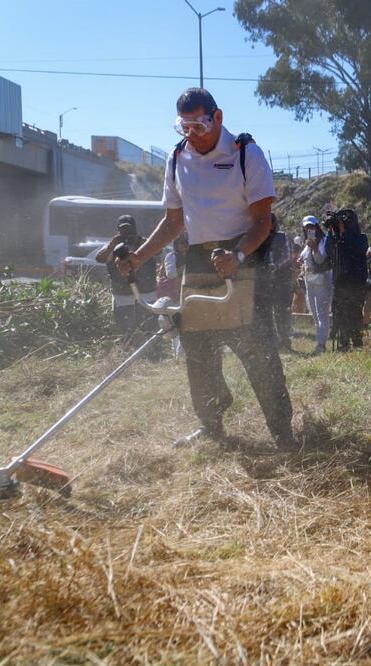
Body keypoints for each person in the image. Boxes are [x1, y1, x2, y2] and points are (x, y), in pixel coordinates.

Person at [114, 87, 294, 449]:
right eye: (184, 128)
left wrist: (238, 256)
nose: (192, 136)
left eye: (199, 126)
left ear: (218, 118)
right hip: (198, 259)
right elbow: (172, 223)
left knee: (256, 350)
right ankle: (211, 423)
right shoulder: (177, 159)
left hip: (244, 257)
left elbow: (263, 222)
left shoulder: (247, 153)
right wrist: (138, 258)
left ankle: (282, 431)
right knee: (198, 352)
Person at [96, 215, 158, 340]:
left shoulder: (143, 242)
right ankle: (127, 348)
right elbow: (100, 258)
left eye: (129, 230)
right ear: (118, 231)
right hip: (122, 293)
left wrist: (140, 241)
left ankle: (152, 353)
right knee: (125, 327)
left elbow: (158, 251)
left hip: (146, 291)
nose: (126, 233)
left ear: (134, 229)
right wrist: (113, 244)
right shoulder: (113, 245)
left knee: (149, 325)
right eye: (123, 230)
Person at [325, 208, 369, 351]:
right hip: (340, 280)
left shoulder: (361, 238)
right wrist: (330, 231)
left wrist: (344, 231)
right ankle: (343, 342)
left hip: (356, 281)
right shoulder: (336, 238)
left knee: (355, 310)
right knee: (340, 312)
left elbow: (354, 248)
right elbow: (327, 250)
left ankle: (356, 340)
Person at [256, 214, 294, 352]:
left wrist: (275, 266)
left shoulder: (282, 237)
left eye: (269, 221)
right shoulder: (259, 238)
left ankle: (285, 341)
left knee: (282, 311)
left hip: (281, 280)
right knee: (267, 312)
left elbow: (288, 256)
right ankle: (272, 342)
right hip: (265, 280)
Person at [298, 215, 333, 355]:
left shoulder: (323, 242)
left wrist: (314, 249)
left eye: (311, 226)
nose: (309, 229)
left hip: (321, 282)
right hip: (309, 281)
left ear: (317, 227)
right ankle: (320, 341)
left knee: (322, 314)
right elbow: (306, 261)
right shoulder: (307, 244)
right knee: (314, 313)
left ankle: (321, 345)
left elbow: (320, 260)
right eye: (306, 227)